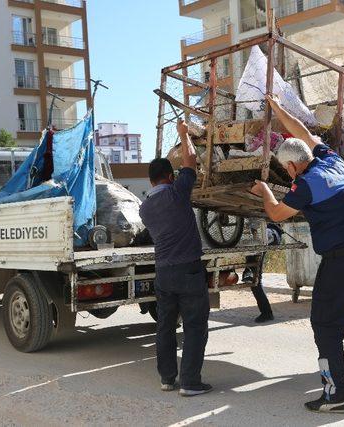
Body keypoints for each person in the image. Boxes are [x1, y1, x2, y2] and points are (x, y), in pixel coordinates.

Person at [251, 95, 344, 413]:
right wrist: (277, 110)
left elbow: (275, 214)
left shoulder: (307, 184)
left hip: (342, 263)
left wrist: (266, 191)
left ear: (290, 166)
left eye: (286, 171)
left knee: (325, 326)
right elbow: (302, 132)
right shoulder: (333, 160)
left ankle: (336, 394)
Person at [139, 118, 212, 397]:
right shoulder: (177, 193)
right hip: (189, 272)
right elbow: (191, 159)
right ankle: (191, 382)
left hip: (164, 274)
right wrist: (183, 134)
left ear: (150, 180)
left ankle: (168, 379)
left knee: (166, 327)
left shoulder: (145, 208)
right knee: (195, 326)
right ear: (170, 176)